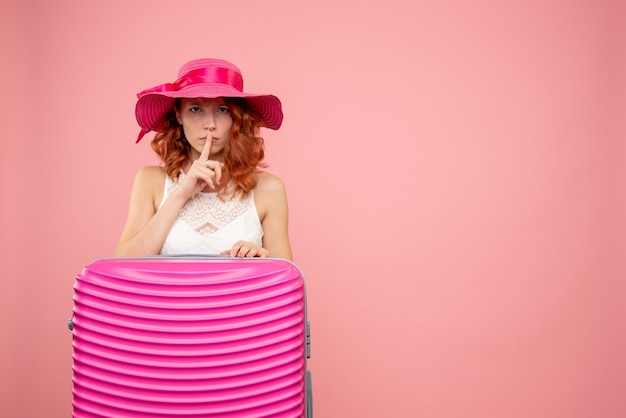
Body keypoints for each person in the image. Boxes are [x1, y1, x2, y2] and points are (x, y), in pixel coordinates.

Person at [114, 58, 292, 260]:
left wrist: (262, 261)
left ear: (237, 117)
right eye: (195, 109)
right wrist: (180, 194)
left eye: (222, 110)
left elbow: (288, 284)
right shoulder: (150, 181)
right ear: (179, 115)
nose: (210, 124)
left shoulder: (269, 188)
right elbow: (122, 264)